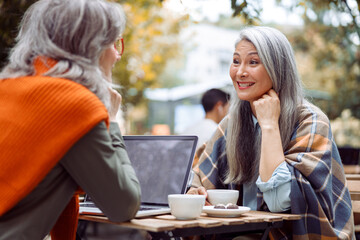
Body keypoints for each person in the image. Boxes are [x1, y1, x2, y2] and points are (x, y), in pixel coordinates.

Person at [187, 26, 354, 239]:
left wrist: (269, 125)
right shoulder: (233, 122)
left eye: (253, 62)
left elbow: (280, 202)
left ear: (278, 69)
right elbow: (198, 175)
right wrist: (195, 191)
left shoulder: (310, 120)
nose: (240, 72)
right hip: (240, 232)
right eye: (236, 61)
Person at [0, 0, 141, 239]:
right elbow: (123, 205)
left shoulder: (8, 87)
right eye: (115, 42)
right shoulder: (73, 104)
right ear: (92, 47)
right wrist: (112, 120)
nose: (117, 55)